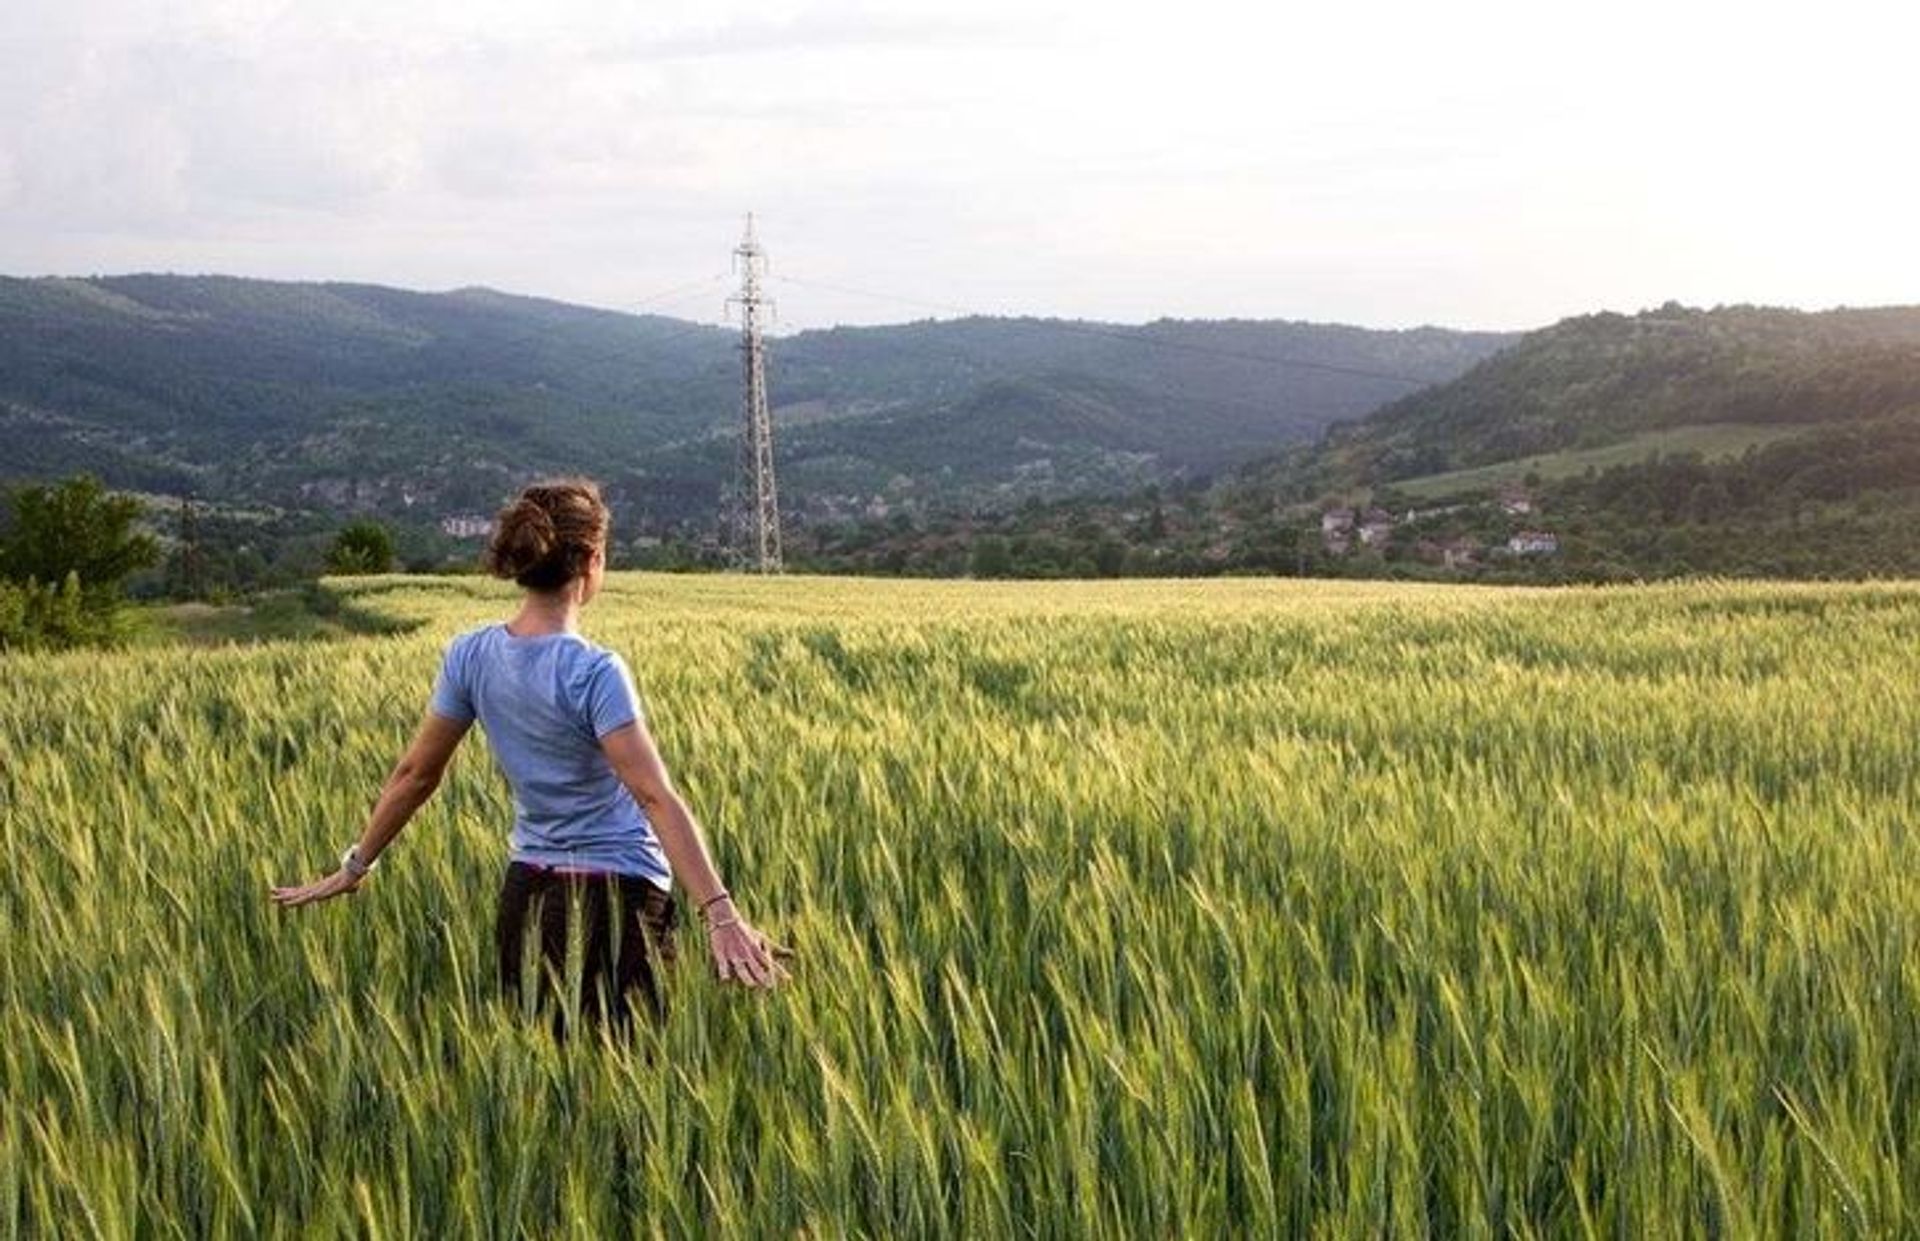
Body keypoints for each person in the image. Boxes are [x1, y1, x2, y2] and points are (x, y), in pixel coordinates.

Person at [270, 478, 787, 1035]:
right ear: (593, 560)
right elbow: (653, 795)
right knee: (620, 1083)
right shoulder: (594, 671)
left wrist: (355, 865)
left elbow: (415, 775)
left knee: (547, 1066)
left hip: (528, 898)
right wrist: (721, 912)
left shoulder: (470, 654)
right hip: (615, 899)